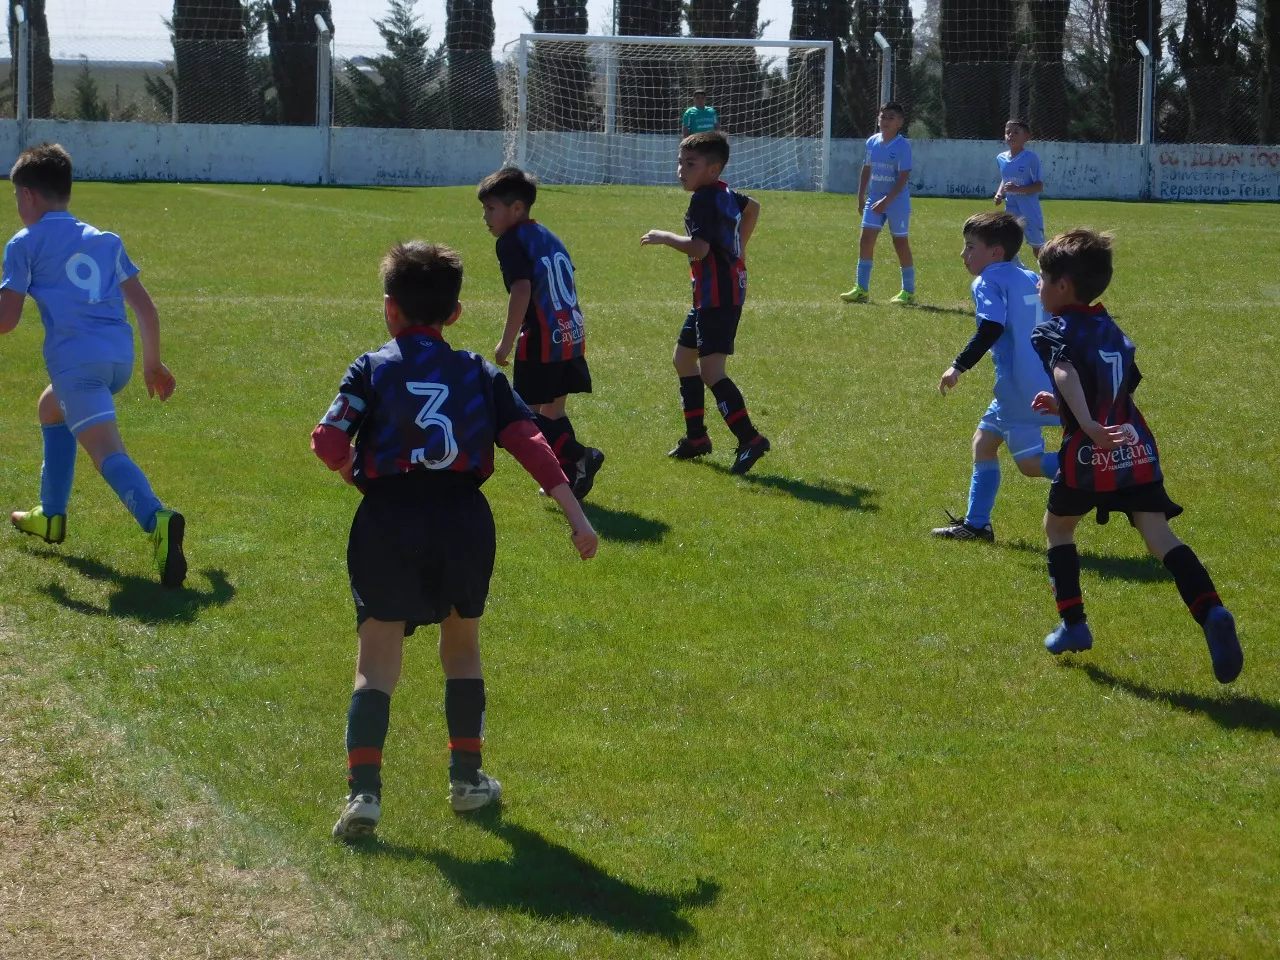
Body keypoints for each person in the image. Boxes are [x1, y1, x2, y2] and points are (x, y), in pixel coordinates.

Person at [313, 241, 598, 842]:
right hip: (463, 519)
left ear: (390, 309)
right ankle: (467, 781)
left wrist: (353, 473)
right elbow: (529, 441)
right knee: (461, 649)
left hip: (388, 517)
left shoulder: (371, 367)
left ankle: (364, 794)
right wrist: (575, 514)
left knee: (376, 665)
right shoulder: (478, 372)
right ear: (457, 313)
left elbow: (329, 442)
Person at [1028, 229, 1242, 683]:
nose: (1038, 286)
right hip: (1134, 444)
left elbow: (1065, 370)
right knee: (1159, 535)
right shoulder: (1110, 324)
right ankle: (1212, 613)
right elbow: (1126, 380)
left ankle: (1074, 624)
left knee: (1058, 527)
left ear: (1063, 286)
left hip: (1092, 449)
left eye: (1043, 279)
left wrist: (1083, 421)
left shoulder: (1052, 329)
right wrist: (1069, 405)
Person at [0, 142, 186, 588]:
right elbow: (146, 310)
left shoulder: (24, 243)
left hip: (77, 366)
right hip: (118, 360)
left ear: (27, 196)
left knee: (106, 452)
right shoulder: (105, 239)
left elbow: (6, 320)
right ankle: (51, 515)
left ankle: (156, 518)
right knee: (51, 408)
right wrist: (152, 366)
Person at [641, 131, 769, 474]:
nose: (681, 169)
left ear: (712, 169)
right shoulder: (723, 191)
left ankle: (750, 439)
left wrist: (663, 237)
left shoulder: (703, 199)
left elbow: (699, 249)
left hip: (718, 297)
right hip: (712, 295)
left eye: (690, 164)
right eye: (680, 162)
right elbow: (753, 207)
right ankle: (697, 438)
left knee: (712, 371)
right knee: (684, 359)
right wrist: (740, 248)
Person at [478, 166, 604, 499]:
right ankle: (571, 475)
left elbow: (522, 289)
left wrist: (506, 343)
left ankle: (581, 455)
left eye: (491, 209)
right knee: (554, 411)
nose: (485, 217)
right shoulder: (547, 234)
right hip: (570, 333)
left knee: (524, 418)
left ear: (516, 209)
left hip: (542, 340)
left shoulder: (510, 241)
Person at [933, 213, 1059, 541]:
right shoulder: (1029, 275)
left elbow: (991, 326)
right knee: (984, 443)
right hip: (1034, 381)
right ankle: (977, 525)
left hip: (1018, 388)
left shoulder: (987, 280)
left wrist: (958, 366)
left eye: (970, 247)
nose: (963, 255)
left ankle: (1099, 471)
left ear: (996, 252)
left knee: (1030, 465)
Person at [841, 102, 915, 305]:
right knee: (865, 240)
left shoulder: (902, 146)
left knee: (900, 243)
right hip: (874, 199)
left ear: (900, 122)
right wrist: (860, 196)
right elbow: (866, 169)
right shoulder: (872, 142)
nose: (886, 121)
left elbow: (903, 178)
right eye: (883, 117)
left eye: (891, 117)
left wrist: (887, 200)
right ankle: (861, 289)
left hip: (896, 201)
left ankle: (908, 291)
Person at [994, 119, 1046, 260]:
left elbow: (1039, 186)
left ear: (1027, 137)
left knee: (1038, 248)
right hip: (1011, 209)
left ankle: (1048, 274)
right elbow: (1005, 179)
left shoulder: (1031, 159)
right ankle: (1015, 272)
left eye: (1016, 132)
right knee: (1006, 244)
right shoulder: (1001, 158)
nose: (1011, 135)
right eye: (1008, 132)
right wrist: (999, 193)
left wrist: (1018, 189)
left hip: (1029, 209)